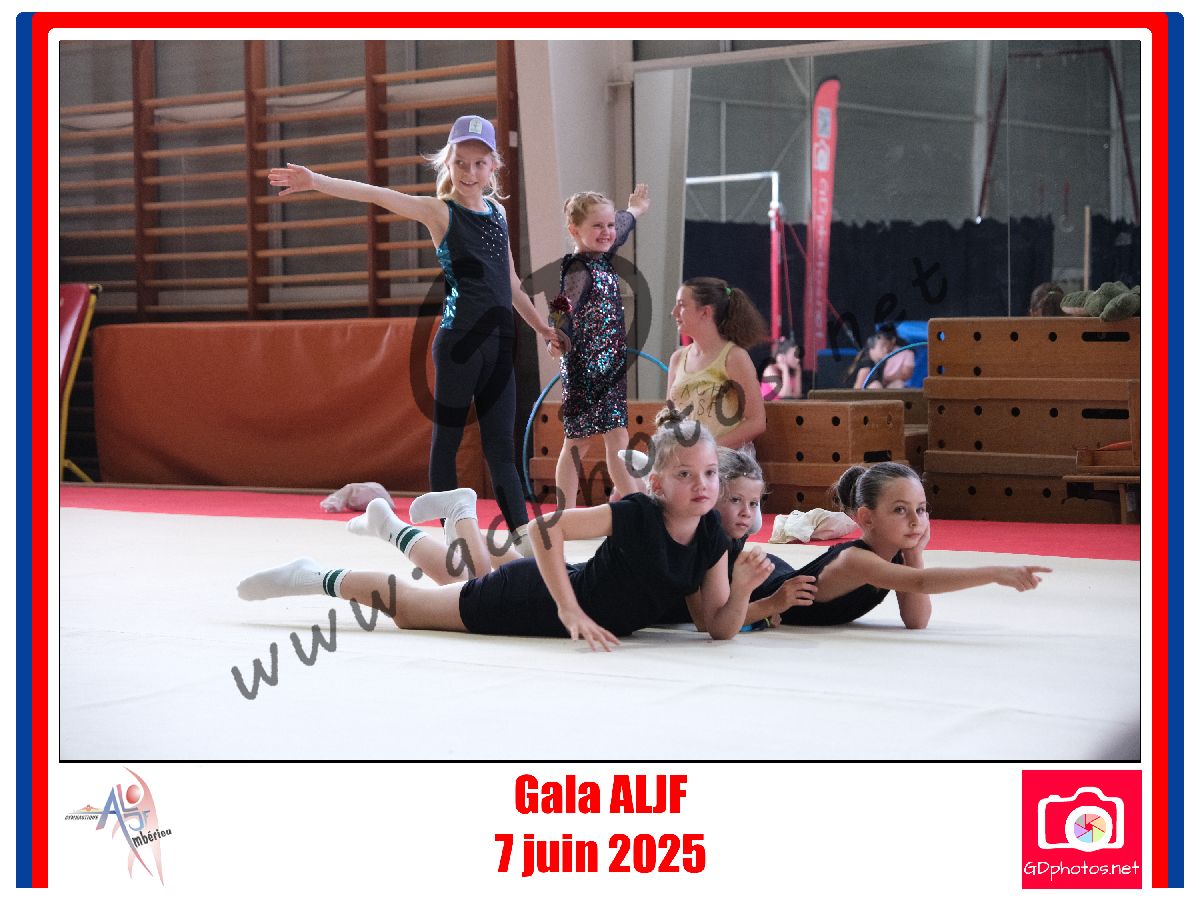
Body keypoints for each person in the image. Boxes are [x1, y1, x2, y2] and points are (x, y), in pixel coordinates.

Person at [236, 408, 774, 652]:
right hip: (532, 600)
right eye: (685, 475)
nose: (702, 486)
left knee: (458, 580)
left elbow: (715, 627)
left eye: (710, 474)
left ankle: (401, 526)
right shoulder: (637, 514)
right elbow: (543, 530)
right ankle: (314, 575)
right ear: (655, 483)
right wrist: (570, 610)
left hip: (552, 602)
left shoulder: (711, 537)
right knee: (411, 610)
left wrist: (744, 590)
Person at [267, 115, 562, 539]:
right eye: (460, 163)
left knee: (502, 449)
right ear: (448, 163)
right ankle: (452, 536)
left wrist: (542, 329)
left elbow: (512, 283)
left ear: (494, 166)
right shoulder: (439, 211)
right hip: (460, 343)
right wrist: (316, 181)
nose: (469, 173)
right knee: (447, 441)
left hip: (500, 345)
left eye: (479, 164)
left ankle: (525, 538)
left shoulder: (497, 213)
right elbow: (378, 194)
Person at [773, 462, 1050, 628]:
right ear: (867, 518)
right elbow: (920, 582)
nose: (916, 521)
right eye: (900, 510)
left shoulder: (894, 556)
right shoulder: (855, 560)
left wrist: (914, 553)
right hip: (759, 590)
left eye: (921, 509)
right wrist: (995, 573)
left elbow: (917, 621)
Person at [550, 187, 651, 508]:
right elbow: (563, 306)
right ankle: (565, 511)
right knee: (578, 442)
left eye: (609, 225)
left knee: (617, 438)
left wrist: (635, 210)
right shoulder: (579, 268)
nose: (607, 232)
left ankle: (635, 504)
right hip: (584, 368)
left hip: (610, 367)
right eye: (597, 226)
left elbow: (619, 227)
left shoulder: (602, 259)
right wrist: (557, 336)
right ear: (574, 230)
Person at [657, 448, 818, 631]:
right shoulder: (694, 537)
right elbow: (706, 622)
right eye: (735, 500)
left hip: (715, 586)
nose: (746, 513)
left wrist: (757, 609)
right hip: (657, 609)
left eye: (753, 503)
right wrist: (770, 604)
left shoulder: (731, 534)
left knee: (778, 572)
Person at [666, 277, 769, 453]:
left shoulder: (734, 357)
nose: (674, 312)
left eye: (681, 305)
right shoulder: (677, 358)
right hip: (688, 459)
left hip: (727, 458)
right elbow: (670, 418)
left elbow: (756, 422)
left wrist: (707, 449)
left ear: (705, 312)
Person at [852, 324, 914, 389]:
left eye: (887, 346)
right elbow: (857, 388)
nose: (886, 350)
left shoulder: (881, 363)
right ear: (872, 348)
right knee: (875, 385)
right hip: (864, 392)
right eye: (882, 346)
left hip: (882, 389)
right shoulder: (866, 366)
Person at [761, 335, 802, 399]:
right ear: (782, 356)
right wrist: (785, 369)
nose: (798, 360)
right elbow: (785, 395)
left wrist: (798, 372)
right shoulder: (769, 370)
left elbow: (797, 395)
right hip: (770, 405)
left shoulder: (794, 369)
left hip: (787, 405)